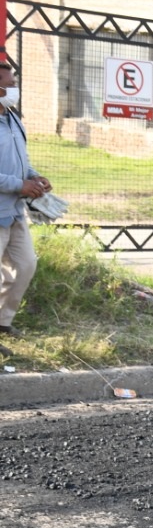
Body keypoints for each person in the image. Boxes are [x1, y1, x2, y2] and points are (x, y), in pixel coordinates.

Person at [0, 57, 51, 338]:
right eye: (11, 84)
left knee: (26, 265)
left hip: (15, 210)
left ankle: (3, 322)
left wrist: (35, 176)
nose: (15, 88)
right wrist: (20, 185)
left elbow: (22, 159)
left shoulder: (13, 119)